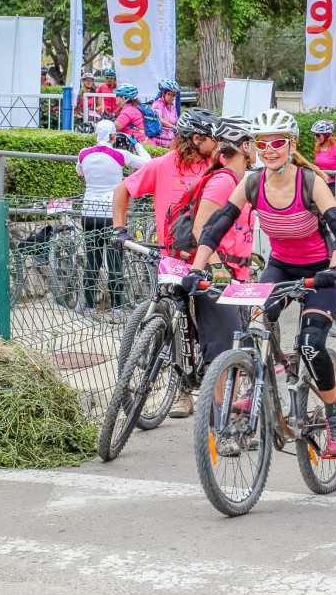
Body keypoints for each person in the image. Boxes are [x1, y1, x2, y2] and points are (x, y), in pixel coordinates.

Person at [188, 108, 336, 457]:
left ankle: (333, 412)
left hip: (320, 270)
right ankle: (263, 371)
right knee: (255, 321)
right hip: (281, 266)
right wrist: (197, 267)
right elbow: (217, 225)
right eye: (262, 143)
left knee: (311, 344)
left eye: (277, 142)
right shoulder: (251, 182)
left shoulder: (309, 182)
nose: (270, 149)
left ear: (291, 144)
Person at [110, 108, 221, 418]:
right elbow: (123, 190)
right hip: (170, 258)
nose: (218, 143)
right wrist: (119, 229)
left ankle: (215, 385)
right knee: (172, 319)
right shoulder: (160, 166)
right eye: (213, 138)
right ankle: (182, 391)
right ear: (197, 139)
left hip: (206, 258)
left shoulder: (215, 169)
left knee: (204, 322)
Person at [76, 120, 151, 316]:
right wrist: (136, 143)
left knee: (92, 260)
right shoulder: (120, 155)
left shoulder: (84, 153)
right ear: (113, 136)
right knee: (115, 260)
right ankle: (117, 307)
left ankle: (90, 306)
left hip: (89, 213)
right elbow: (148, 163)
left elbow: (79, 172)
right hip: (112, 214)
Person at [189, 117, 258, 283]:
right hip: (219, 273)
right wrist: (217, 266)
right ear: (245, 146)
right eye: (255, 143)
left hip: (236, 272)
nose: (258, 149)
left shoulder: (238, 180)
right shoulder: (223, 181)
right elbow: (199, 228)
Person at [310, 119, 336, 186]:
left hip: (335, 185)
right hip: (322, 182)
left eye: (318, 135)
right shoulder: (318, 148)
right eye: (314, 135)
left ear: (327, 135)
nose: (315, 137)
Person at [150, 80, 180, 149]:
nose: (172, 97)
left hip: (171, 142)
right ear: (163, 94)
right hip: (159, 143)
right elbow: (159, 119)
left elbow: (176, 120)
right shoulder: (157, 104)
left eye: (173, 95)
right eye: (169, 94)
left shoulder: (172, 107)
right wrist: (173, 127)